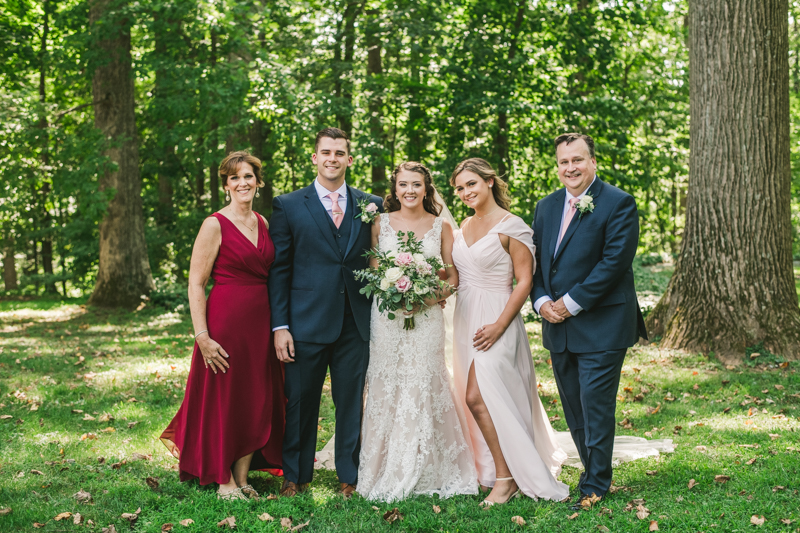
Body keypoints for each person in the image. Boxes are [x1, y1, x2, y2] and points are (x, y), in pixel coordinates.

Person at [531, 133, 647, 509]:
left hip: (603, 324)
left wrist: (570, 303)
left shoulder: (619, 203)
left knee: (595, 404)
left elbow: (613, 264)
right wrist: (543, 301)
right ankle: (590, 468)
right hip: (557, 326)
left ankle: (596, 483)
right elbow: (536, 263)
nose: (571, 168)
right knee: (574, 409)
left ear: (592, 161)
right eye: (564, 162)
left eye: (578, 160)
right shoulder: (546, 207)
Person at [161, 151, 285, 500]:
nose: (242, 183)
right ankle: (223, 479)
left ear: (258, 182)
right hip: (225, 322)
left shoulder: (263, 222)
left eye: (248, 176)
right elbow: (196, 283)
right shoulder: (214, 223)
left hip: (261, 323)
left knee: (255, 398)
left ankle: (243, 476)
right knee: (225, 398)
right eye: (235, 178)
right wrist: (202, 336)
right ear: (226, 185)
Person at [268, 127, 383, 499]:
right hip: (305, 321)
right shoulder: (288, 205)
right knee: (300, 401)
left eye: (340, 153)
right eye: (326, 152)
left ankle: (349, 476)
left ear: (349, 159)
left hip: (355, 322)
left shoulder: (372, 204)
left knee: (351, 402)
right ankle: (295, 476)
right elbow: (279, 269)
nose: (332, 158)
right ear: (315, 158)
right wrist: (280, 325)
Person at [450, 158, 569, 507]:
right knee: (477, 397)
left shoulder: (511, 225)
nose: (465, 192)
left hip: (497, 318)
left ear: (489, 181)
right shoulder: (464, 224)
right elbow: (457, 276)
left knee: (477, 396)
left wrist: (500, 324)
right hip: (466, 318)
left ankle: (506, 479)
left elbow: (525, 280)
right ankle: (498, 469)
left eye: (471, 183)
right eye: (459, 188)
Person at [357, 162, 478, 502]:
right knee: (387, 382)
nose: (409, 190)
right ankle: (381, 467)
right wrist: (393, 292)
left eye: (416, 184)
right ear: (394, 190)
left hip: (426, 319)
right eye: (403, 185)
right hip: (387, 319)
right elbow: (375, 271)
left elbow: (452, 278)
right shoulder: (379, 224)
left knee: (425, 380)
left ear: (427, 188)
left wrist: (427, 297)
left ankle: (429, 466)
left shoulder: (441, 227)